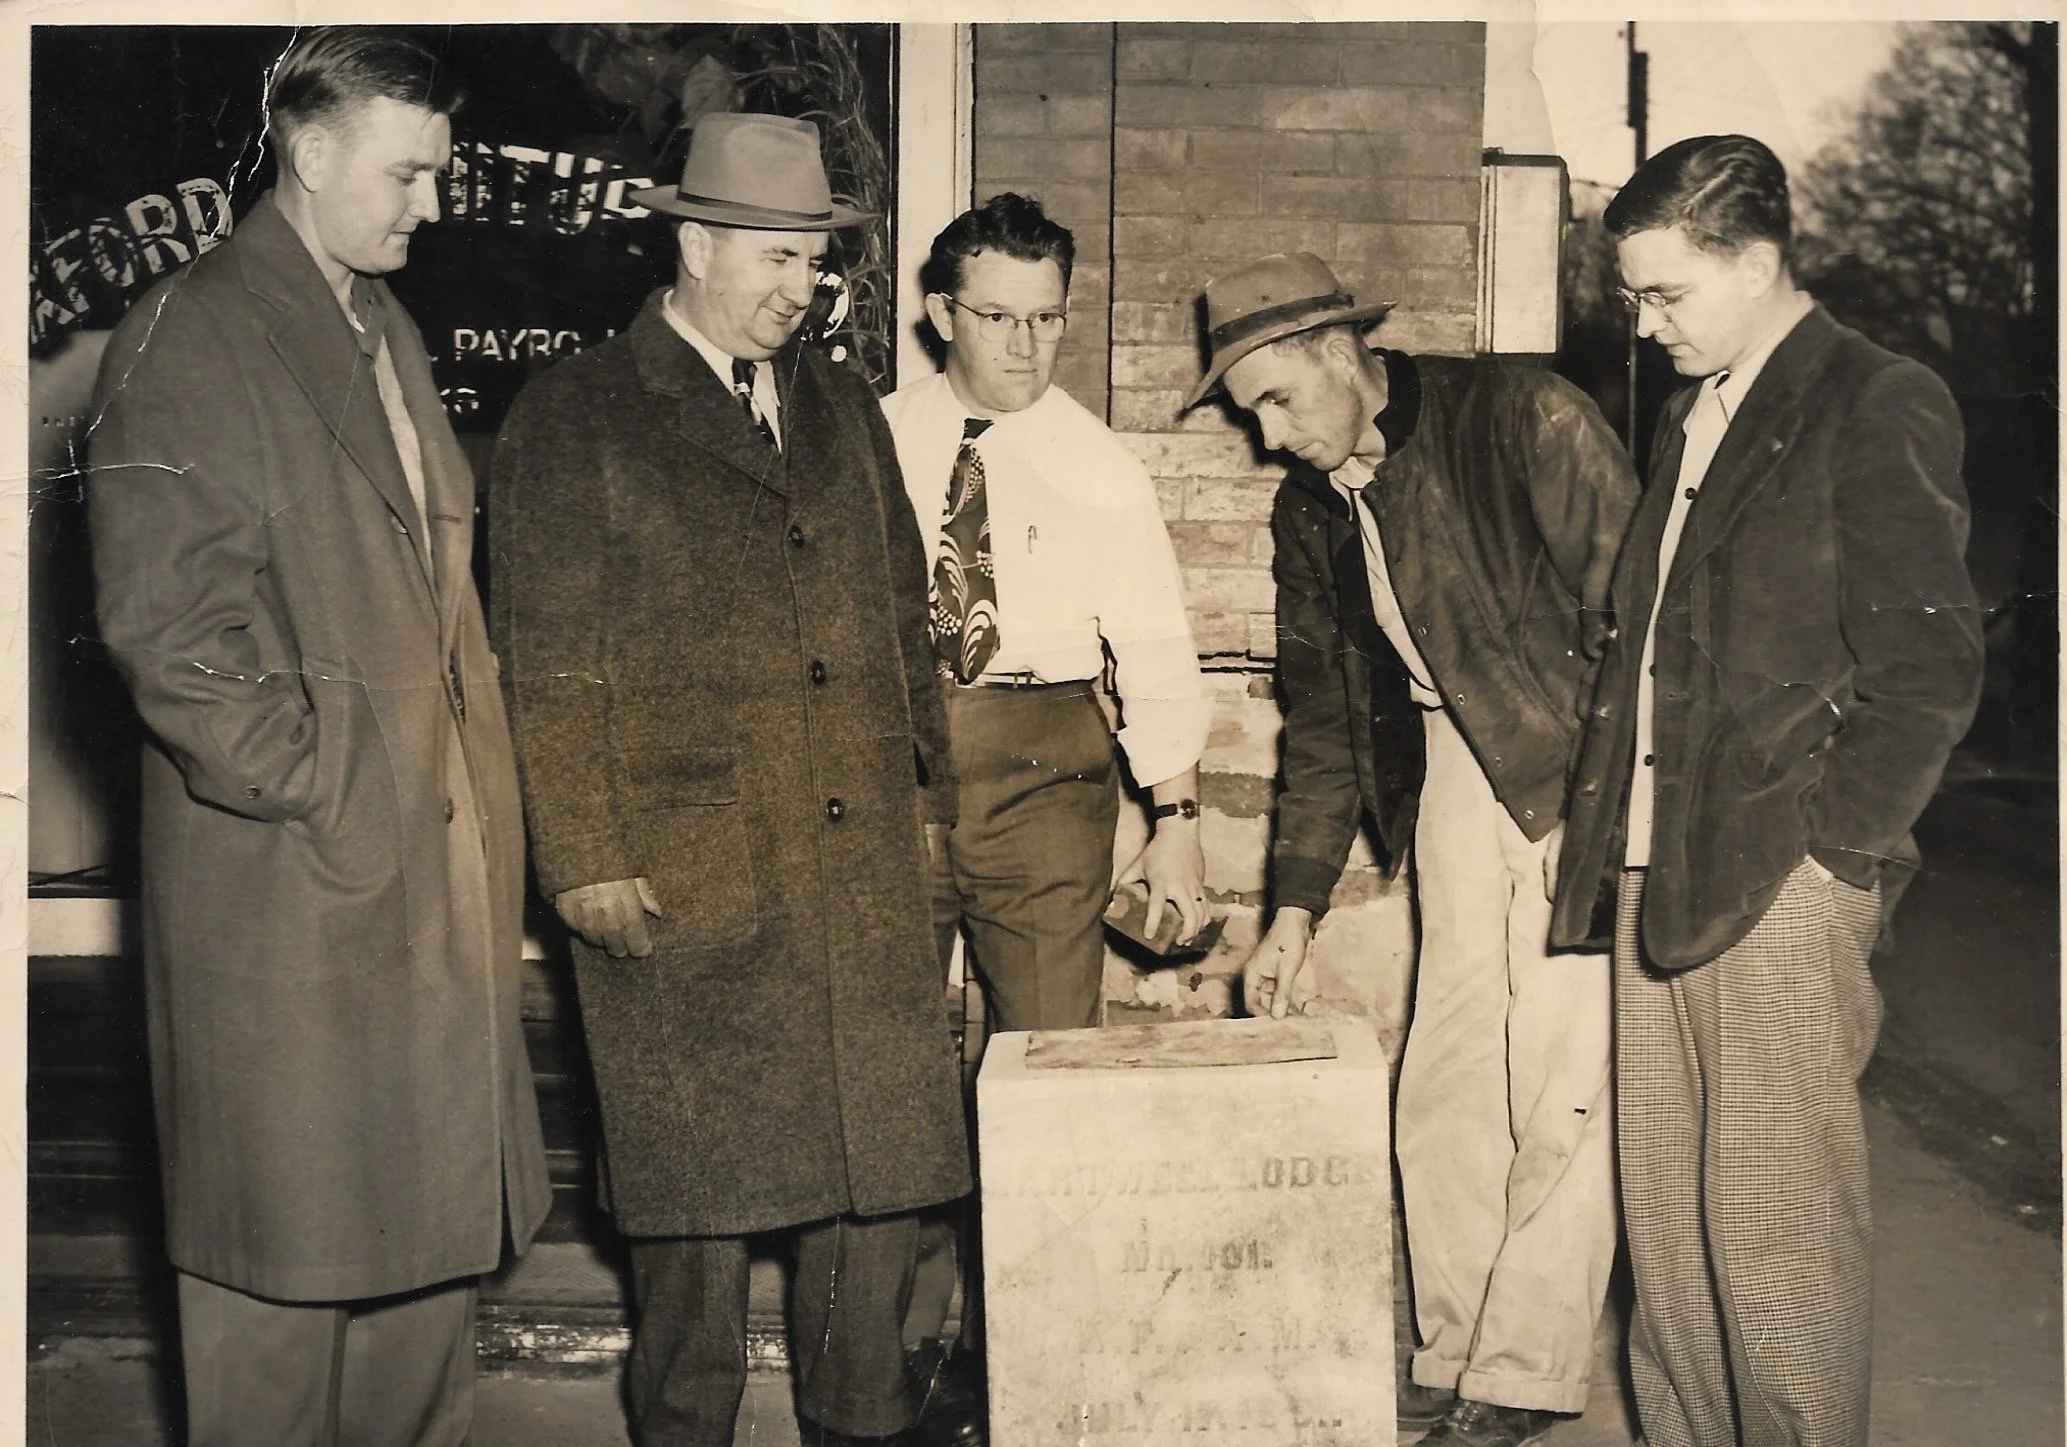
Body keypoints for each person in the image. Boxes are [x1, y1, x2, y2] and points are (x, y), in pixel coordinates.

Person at [86, 28, 550, 1447]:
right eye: (409, 174)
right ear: (311, 151)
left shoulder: (378, 322)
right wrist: (329, 784)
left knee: (420, 1268)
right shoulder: (193, 328)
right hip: (298, 891)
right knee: (276, 1294)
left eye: (439, 173)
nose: (433, 204)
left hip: (420, 883)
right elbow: (171, 630)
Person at [489, 111, 970, 1447]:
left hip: (856, 868)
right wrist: (582, 855)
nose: (799, 287)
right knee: (694, 1223)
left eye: (813, 259)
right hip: (684, 874)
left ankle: (857, 1420)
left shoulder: (840, 406)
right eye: (772, 256)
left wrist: (922, 811)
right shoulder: (578, 412)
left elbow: (900, 618)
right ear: (694, 244)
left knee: (868, 1203)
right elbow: (545, 661)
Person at [1551, 134, 1982, 1447]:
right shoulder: (1695, 410)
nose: (1644, 323)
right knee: (1670, 1241)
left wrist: (1831, 854)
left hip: (1775, 879)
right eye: (1634, 295)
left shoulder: (1874, 398)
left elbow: (1928, 665)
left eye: (1665, 293)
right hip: (1657, 865)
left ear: (1754, 262)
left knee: (1774, 1237)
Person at [1199, 252, 1638, 1447]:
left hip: (1580, 763)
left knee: (1563, 1076)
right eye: (1250, 412)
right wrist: (1292, 912)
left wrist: (1613, 814)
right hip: (1454, 764)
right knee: (1445, 1073)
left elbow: (1640, 624)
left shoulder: (1525, 415)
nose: (1271, 436)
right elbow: (1326, 717)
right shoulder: (1311, 508)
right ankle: (1455, 1349)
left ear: (1344, 353)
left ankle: (1526, 1370)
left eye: (1279, 399)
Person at [878, 191, 1215, 1441]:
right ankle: (886, 1361)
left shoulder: (1100, 466)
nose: (1026, 346)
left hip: (1048, 767)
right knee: (886, 1058)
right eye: (997, 317)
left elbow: (1157, 650)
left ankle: (1025, 1357)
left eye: (1047, 319)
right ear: (940, 313)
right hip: (899, 762)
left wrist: (1175, 814)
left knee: (1045, 1069)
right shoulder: (873, 439)